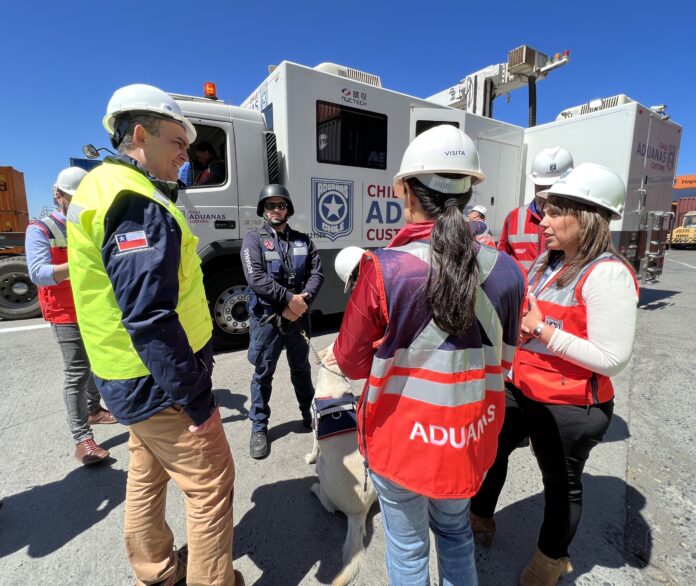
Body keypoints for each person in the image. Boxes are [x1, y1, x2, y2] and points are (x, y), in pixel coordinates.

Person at [329, 125, 526, 585]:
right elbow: (506, 360)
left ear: (405, 190)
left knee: (408, 548)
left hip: (400, 440)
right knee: (455, 533)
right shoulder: (509, 270)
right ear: (470, 189)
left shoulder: (383, 268)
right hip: (470, 435)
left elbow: (351, 362)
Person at [67, 84, 239, 586]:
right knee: (210, 484)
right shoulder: (137, 202)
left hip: (125, 375)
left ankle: (156, 570)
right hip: (157, 381)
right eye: (178, 142)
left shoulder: (101, 188)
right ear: (140, 135)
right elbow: (149, 317)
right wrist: (197, 400)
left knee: (147, 473)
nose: (186, 156)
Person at [470, 163, 639, 585]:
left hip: (570, 404)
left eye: (555, 212)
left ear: (587, 218)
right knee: (491, 451)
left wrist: (542, 330)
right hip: (521, 386)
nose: (542, 221)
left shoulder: (608, 273)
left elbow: (612, 357)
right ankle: (479, 515)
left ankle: (549, 562)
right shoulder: (548, 263)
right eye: (544, 211)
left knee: (561, 484)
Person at [25, 166, 116, 466]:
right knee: (76, 371)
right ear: (58, 195)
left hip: (94, 307)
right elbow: (38, 273)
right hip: (64, 312)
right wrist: (80, 264)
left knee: (95, 363)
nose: (78, 203)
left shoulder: (89, 223)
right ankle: (82, 438)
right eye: (72, 197)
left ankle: (93, 409)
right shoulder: (41, 229)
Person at [241, 184, 324, 459]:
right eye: (271, 205)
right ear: (263, 210)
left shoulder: (303, 240)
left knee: (301, 368)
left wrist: (302, 301)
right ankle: (258, 427)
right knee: (263, 374)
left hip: (299, 317)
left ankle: (310, 415)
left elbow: (317, 273)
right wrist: (288, 300)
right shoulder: (253, 240)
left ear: (288, 209)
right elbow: (255, 278)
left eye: (281, 205)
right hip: (268, 319)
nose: (276, 210)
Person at [498, 147, 574, 273]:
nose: (547, 195)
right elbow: (501, 261)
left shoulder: (577, 221)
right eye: (541, 188)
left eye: (554, 188)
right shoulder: (514, 218)